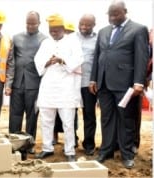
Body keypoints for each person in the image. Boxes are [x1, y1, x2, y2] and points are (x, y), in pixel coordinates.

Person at [89, 0, 149, 169]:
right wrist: (93, 79)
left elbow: (141, 57)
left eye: (116, 14)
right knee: (106, 118)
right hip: (104, 83)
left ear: (125, 11)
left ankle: (127, 154)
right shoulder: (103, 31)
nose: (112, 17)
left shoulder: (138, 29)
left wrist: (138, 82)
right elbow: (97, 57)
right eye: (110, 14)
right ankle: (106, 151)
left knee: (126, 119)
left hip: (125, 84)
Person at [34, 14, 83, 162]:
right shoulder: (45, 43)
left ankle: (69, 151)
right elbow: (38, 61)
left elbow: (79, 59)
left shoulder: (73, 42)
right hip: (48, 86)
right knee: (46, 120)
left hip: (66, 87)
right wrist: (47, 62)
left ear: (63, 29)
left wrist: (62, 60)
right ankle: (47, 148)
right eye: (51, 30)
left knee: (68, 122)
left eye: (56, 30)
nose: (53, 33)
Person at [8, 11, 47, 154]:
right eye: (28, 23)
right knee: (15, 115)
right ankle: (13, 143)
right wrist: (9, 83)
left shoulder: (45, 40)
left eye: (33, 23)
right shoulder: (16, 38)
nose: (30, 26)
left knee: (32, 115)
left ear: (39, 23)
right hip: (17, 83)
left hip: (34, 84)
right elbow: (11, 61)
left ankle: (29, 144)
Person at [52, 20, 79, 147]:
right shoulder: (54, 43)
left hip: (73, 84)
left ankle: (73, 140)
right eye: (66, 32)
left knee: (71, 115)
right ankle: (54, 137)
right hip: (57, 85)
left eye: (70, 32)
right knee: (55, 112)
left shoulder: (75, 44)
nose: (68, 34)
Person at [75, 14, 98, 156]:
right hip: (72, 82)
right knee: (70, 113)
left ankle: (89, 144)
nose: (84, 27)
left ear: (94, 25)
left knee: (89, 114)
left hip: (88, 83)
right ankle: (72, 141)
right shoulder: (72, 38)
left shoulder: (98, 39)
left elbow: (98, 62)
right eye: (81, 24)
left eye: (88, 25)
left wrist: (94, 80)